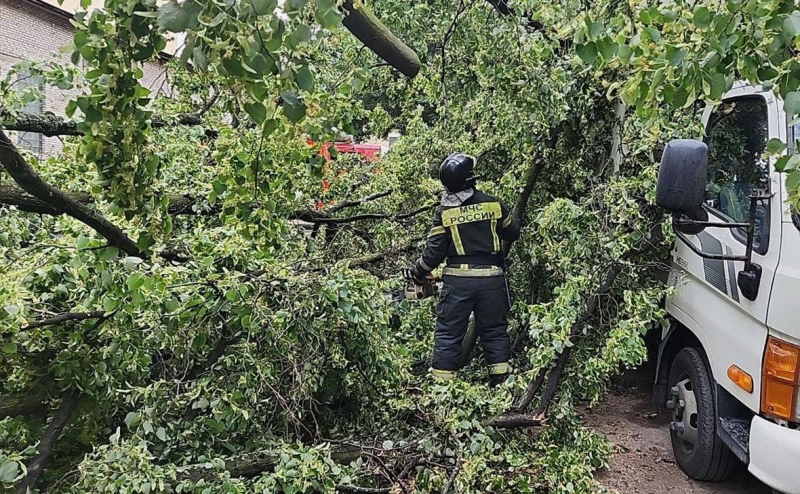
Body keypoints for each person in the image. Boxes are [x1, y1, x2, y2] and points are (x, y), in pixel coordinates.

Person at [409, 152, 521, 387]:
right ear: (471, 177)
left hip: (459, 283)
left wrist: (418, 271)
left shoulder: (445, 212)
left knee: (449, 333)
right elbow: (512, 233)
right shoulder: (493, 204)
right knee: (494, 331)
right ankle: (501, 385)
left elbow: (434, 252)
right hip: (492, 280)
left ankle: (443, 388)